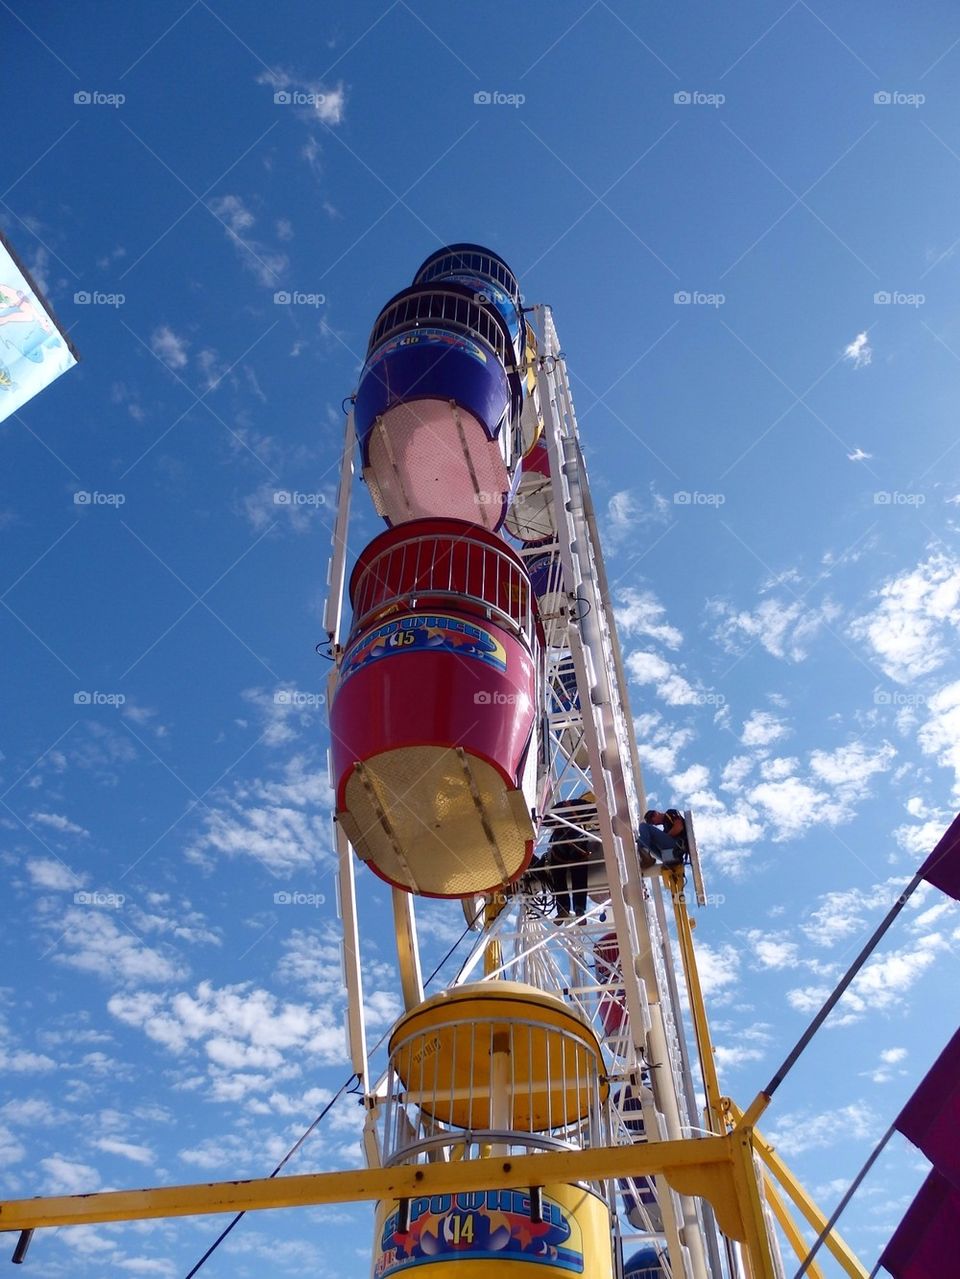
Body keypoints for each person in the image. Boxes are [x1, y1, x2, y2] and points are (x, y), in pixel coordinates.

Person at [544, 792, 597, 920]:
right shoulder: (582, 805)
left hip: (559, 849)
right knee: (579, 877)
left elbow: (544, 821)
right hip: (577, 847)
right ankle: (579, 908)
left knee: (558, 879)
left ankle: (563, 909)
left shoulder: (558, 807)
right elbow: (595, 811)